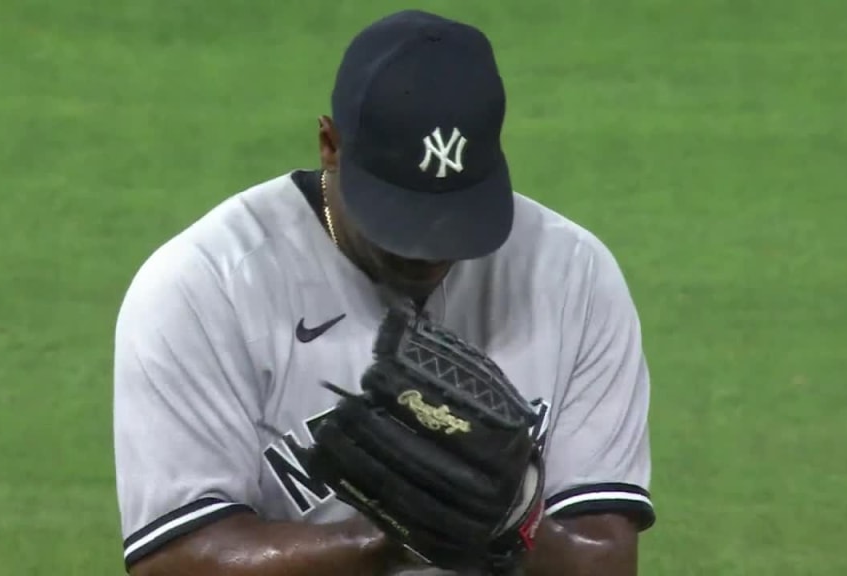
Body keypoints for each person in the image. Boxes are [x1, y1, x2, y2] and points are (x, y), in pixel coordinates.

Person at [113, 9, 655, 576]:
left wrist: (510, 521)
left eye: (454, 213)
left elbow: (606, 560)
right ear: (330, 145)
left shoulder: (572, 273)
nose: (426, 247)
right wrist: (392, 535)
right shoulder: (204, 288)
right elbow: (174, 561)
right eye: (400, 212)